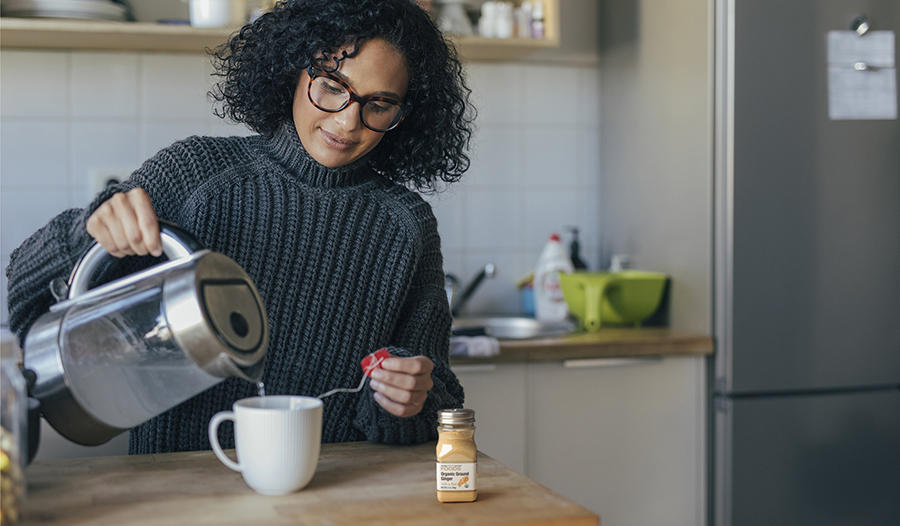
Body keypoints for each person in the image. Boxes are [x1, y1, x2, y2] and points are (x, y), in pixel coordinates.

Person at [5, 0, 475, 454]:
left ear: (404, 114)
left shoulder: (406, 224)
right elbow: (30, 299)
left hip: (329, 493)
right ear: (294, 68)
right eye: (332, 86)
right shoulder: (194, 173)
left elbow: (441, 400)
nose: (348, 121)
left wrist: (409, 398)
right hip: (179, 492)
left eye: (379, 105)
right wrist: (86, 235)